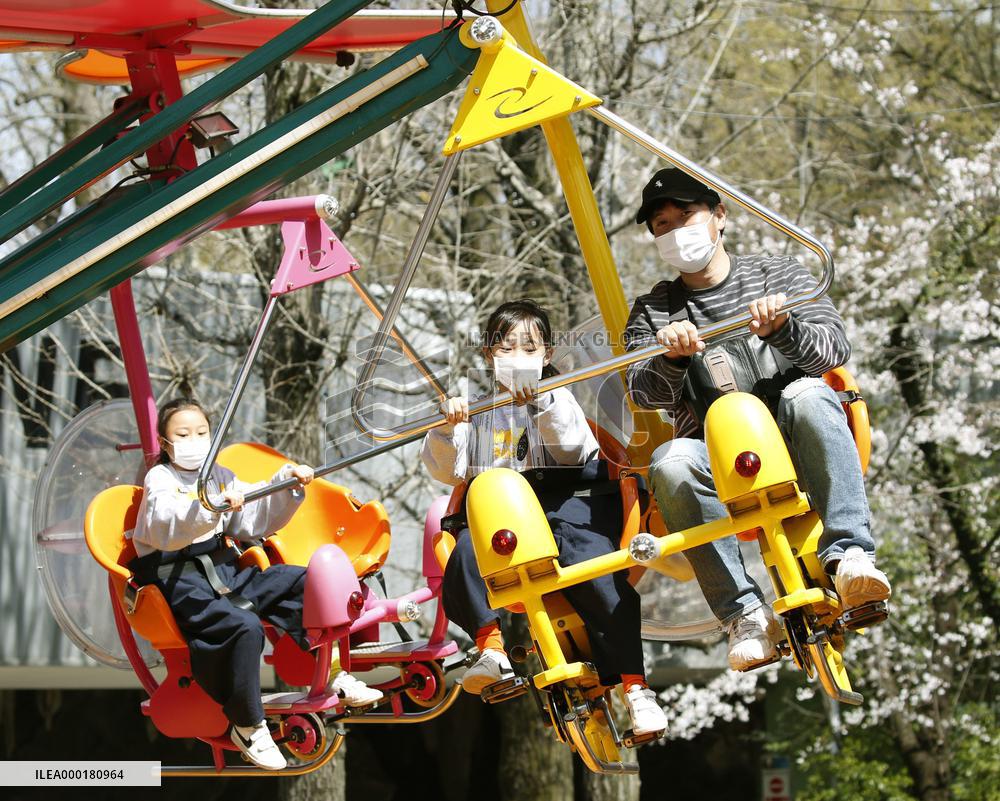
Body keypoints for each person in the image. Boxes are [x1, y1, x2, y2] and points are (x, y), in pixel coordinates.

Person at [624, 168, 892, 672]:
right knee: (670, 461)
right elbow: (642, 392)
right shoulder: (653, 310)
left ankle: (850, 554)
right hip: (721, 458)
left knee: (811, 392)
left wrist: (784, 327)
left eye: (686, 216)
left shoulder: (778, 274)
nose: (676, 231)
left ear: (720, 216)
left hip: (794, 437)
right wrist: (672, 359)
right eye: (662, 225)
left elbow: (834, 347)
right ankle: (743, 613)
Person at [422, 300, 668, 737]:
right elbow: (447, 470)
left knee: (592, 564)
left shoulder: (561, 397)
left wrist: (540, 400)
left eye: (528, 348)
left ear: (546, 355)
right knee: (464, 551)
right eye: (506, 348)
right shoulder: (478, 414)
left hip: (568, 506)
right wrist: (446, 427)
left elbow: (572, 446)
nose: (516, 358)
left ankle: (634, 685)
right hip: (504, 521)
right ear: (488, 354)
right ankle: (490, 646)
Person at [129, 397, 382, 770]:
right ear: (165, 443)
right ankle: (248, 724)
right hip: (179, 578)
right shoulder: (160, 479)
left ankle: (330, 672)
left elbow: (252, 516)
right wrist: (209, 507)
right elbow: (167, 524)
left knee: (303, 582)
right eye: (182, 434)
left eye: (201, 432)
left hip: (225, 569)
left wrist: (286, 484)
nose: (193, 440)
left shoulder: (217, 473)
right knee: (242, 626)